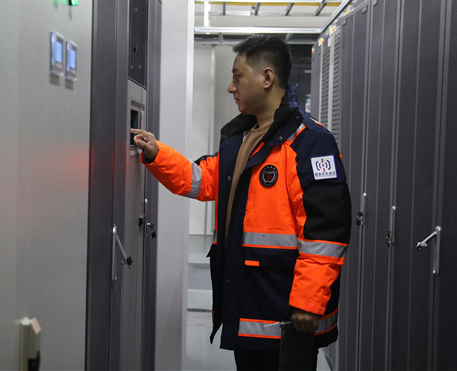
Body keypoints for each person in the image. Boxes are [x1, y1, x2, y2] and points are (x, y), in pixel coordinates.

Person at [132, 34, 351, 370]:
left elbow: (327, 233)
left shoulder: (310, 142)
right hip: (250, 304)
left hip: (287, 312)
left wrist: (308, 301)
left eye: (237, 76)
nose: (231, 87)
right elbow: (202, 180)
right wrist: (156, 153)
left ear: (267, 77)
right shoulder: (243, 139)